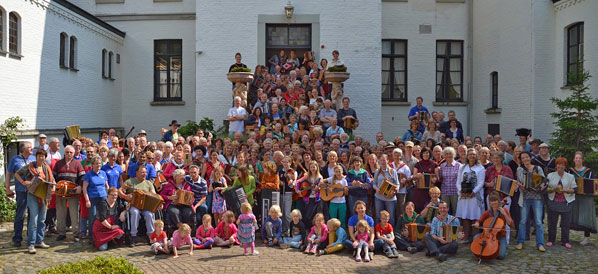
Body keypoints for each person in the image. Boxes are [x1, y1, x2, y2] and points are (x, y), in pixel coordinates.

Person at [15, 149, 55, 254]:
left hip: (44, 195)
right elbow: (17, 174)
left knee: (42, 220)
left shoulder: (47, 167)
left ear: (45, 157)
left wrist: (53, 186)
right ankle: (31, 244)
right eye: (39, 156)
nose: (41, 158)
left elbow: (52, 179)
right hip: (32, 195)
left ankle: (39, 241)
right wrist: (23, 182)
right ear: (36, 156)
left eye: (43, 156)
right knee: (33, 220)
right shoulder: (30, 167)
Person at [515, 151, 546, 252]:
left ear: (530, 158)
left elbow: (544, 181)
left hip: (537, 197)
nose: (525, 159)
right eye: (523, 158)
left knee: (538, 222)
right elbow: (518, 182)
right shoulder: (519, 169)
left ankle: (540, 244)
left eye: (527, 157)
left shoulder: (538, 168)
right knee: (523, 221)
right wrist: (521, 186)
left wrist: (541, 187)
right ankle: (520, 242)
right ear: (521, 160)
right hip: (525, 197)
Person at [119, 165, 158, 247]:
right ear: (136, 173)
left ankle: (150, 235)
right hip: (134, 204)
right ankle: (133, 235)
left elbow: (154, 195)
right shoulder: (130, 182)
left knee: (149, 214)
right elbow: (120, 191)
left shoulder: (148, 183)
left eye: (145, 172)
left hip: (146, 205)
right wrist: (125, 196)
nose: (144, 174)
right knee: (134, 212)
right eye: (142, 172)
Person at [6, 142, 35, 247]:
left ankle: (31, 238)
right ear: (23, 149)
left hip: (33, 191)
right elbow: (9, 174)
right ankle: (17, 238)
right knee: (20, 215)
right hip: (21, 191)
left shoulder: (33, 159)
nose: (32, 148)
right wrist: (8, 188)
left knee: (32, 215)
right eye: (29, 147)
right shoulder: (15, 160)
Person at [455, 148, 485, 243]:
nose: (472, 156)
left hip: (475, 197)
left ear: (476, 156)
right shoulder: (462, 167)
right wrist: (460, 191)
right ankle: (466, 236)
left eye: (474, 154)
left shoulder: (480, 168)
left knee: (475, 216)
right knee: (465, 216)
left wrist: (473, 191)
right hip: (464, 197)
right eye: (470, 154)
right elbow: (458, 181)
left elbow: (481, 182)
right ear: (467, 156)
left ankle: (475, 237)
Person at [472, 192, 514, 260]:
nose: (494, 202)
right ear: (490, 202)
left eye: (495, 200)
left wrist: (504, 214)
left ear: (498, 201)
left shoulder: (504, 210)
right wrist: (477, 223)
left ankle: (495, 249)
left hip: (500, 237)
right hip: (488, 235)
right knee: (475, 238)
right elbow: (479, 220)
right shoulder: (488, 212)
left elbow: (511, 224)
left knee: (501, 256)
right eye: (492, 201)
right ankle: (486, 251)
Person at [545, 157, 576, 249]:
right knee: (552, 223)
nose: (560, 166)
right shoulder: (550, 176)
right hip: (553, 201)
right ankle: (551, 240)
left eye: (562, 164)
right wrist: (553, 189)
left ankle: (565, 241)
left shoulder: (570, 177)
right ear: (556, 166)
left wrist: (564, 190)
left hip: (566, 202)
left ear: (565, 166)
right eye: (559, 164)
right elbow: (545, 189)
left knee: (566, 224)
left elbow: (574, 189)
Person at [568, 151, 596, 245]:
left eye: (579, 158)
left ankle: (586, 237)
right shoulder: (570, 171)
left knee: (586, 216)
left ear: (582, 160)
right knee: (571, 215)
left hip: (585, 197)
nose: (578, 160)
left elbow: (593, 183)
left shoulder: (589, 171)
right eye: (576, 158)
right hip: (573, 196)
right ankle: (566, 236)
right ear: (574, 160)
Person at [82, 155, 109, 240]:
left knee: (103, 216)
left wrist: (108, 196)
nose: (98, 166)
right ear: (92, 165)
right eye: (96, 164)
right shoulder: (88, 175)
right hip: (93, 198)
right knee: (92, 217)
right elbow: (84, 188)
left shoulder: (103, 173)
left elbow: (106, 186)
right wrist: (87, 200)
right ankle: (91, 236)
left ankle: (102, 234)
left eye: (99, 164)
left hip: (103, 197)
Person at [93, 187, 125, 251]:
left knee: (120, 233)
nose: (114, 197)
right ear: (108, 194)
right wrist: (110, 227)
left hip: (110, 227)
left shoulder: (116, 203)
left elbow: (124, 208)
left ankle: (109, 240)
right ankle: (103, 241)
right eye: (112, 195)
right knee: (103, 248)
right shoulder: (103, 203)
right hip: (101, 228)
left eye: (115, 195)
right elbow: (102, 219)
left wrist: (123, 213)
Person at [373, 154, 399, 227]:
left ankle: (391, 234)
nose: (382, 162)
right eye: (381, 160)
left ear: (388, 161)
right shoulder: (377, 172)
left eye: (384, 160)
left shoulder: (393, 171)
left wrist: (395, 190)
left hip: (390, 198)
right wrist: (376, 188)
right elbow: (374, 183)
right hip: (379, 197)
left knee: (391, 217)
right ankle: (378, 233)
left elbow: (397, 184)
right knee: (378, 216)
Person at [321, 164, 348, 229]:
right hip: (333, 202)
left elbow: (346, 194)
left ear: (342, 172)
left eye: (339, 171)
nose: (338, 173)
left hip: (342, 202)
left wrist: (345, 190)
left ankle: (342, 234)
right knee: (333, 220)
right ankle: (332, 235)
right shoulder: (331, 179)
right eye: (336, 171)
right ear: (334, 172)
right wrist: (328, 188)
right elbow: (321, 182)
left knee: (342, 220)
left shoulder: (344, 181)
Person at [436, 147, 461, 215]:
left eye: (450, 153)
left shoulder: (459, 165)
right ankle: (445, 225)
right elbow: (440, 178)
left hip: (455, 192)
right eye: (446, 154)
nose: (448, 155)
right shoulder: (442, 166)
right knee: (444, 212)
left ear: (453, 154)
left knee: (456, 211)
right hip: (445, 192)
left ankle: (455, 225)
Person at [412, 147, 438, 212]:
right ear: (422, 154)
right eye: (424, 153)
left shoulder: (434, 164)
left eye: (427, 153)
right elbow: (414, 177)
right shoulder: (418, 164)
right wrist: (416, 175)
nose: (425, 155)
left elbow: (438, 177)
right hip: (419, 190)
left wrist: (435, 179)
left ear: (429, 154)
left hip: (430, 191)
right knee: (418, 207)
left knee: (429, 209)